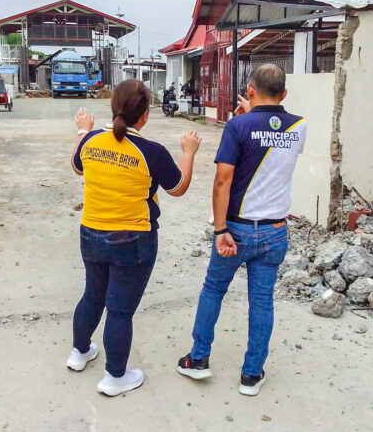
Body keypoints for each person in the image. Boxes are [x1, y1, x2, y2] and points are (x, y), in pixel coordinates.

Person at [177, 64, 306, 396]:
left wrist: (220, 229)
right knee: (262, 301)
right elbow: (272, 134)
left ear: (250, 89)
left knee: (213, 289)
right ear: (285, 93)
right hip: (276, 231)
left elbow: (223, 180)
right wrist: (255, 114)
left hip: (235, 229)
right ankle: (251, 374)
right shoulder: (300, 127)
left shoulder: (237, 126)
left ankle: (199, 359)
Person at [68, 79, 202, 397]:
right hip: (133, 239)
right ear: (144, 116)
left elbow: (77, 166)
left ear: (114, 108)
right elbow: (178, 186)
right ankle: (115, 377)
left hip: (91, 233)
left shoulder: (91, 142)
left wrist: (82, 131)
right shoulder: (151, 152)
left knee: (92, 295)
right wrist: (189, 152)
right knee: (120, 310)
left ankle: (79, 352)